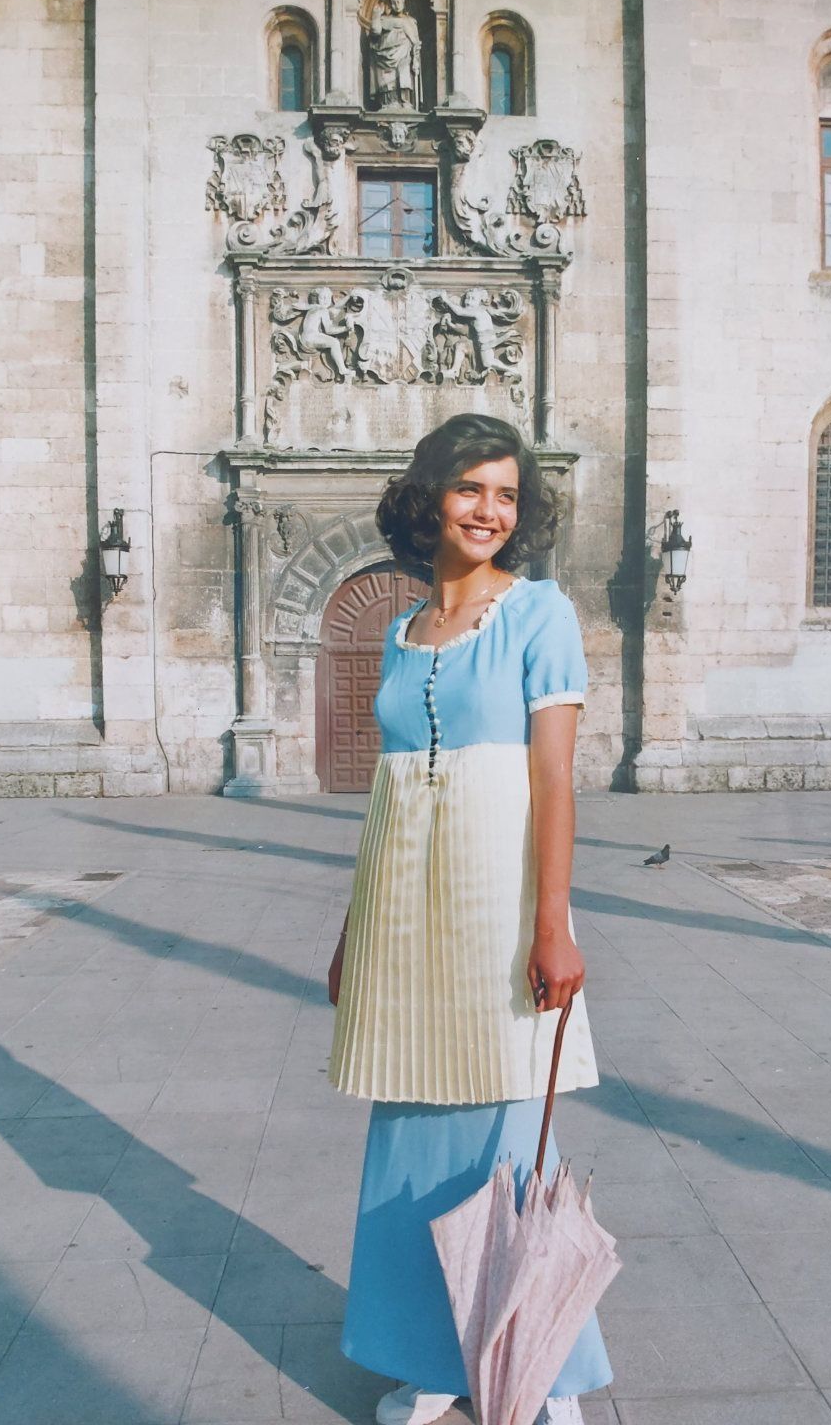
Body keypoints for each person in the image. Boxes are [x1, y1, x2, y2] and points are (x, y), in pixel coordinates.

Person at [328, 414, 612, 1425]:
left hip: (501, 911)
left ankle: (541, 1367)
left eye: (505, 494)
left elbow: (553, 781)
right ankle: (434, 1359)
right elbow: (388, 800)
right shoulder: (403, 634)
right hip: (403, 915)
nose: (490, 510)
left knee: (505, 1141)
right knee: (409, 1132)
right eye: (470, 490)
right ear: (429, 499)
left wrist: (552, 925)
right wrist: (351, 933)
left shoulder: (540, 615)